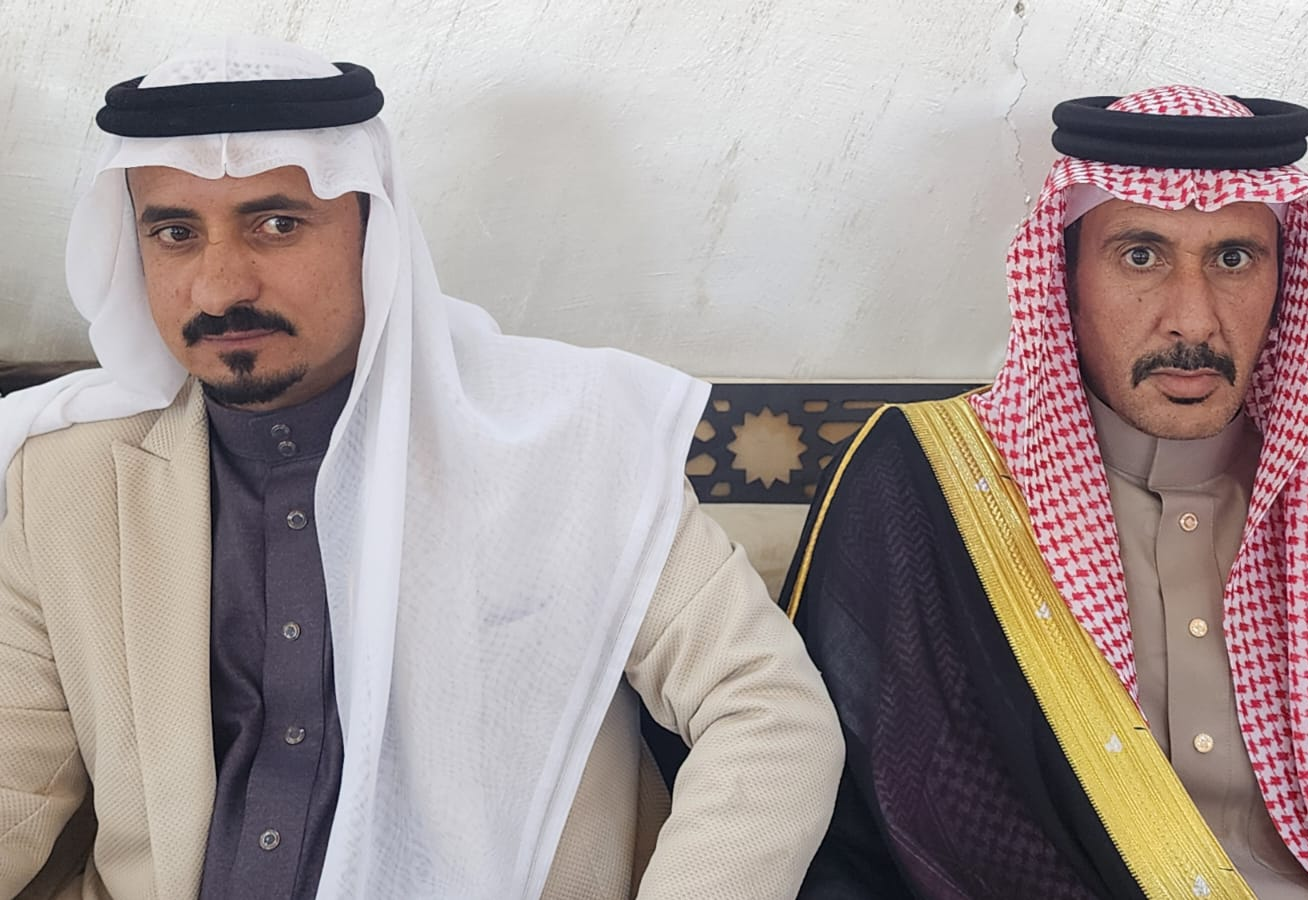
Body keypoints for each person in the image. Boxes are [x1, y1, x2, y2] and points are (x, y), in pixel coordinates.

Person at [0, 35, 843, 900]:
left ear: (373, 232)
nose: (219, 288)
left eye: (277, 224)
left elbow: (765, 709)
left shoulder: (565, 440)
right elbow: (13, 784)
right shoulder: (65, 481)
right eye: (175, 233)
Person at [785, 85, 1308, 898]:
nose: (1192, 321)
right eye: (1141, 255)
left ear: (1285, 285)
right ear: (1064, 282)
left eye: (1234, 259)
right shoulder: (921, 489)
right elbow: (838, 815)